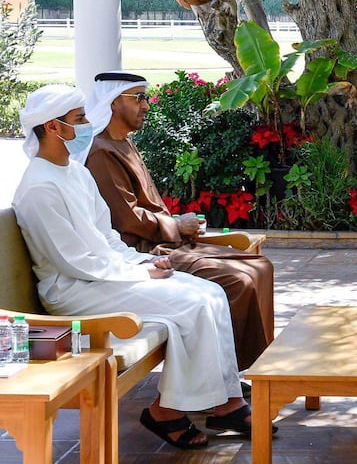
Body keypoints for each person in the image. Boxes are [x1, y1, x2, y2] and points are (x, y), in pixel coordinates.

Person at [12, 84, 262, 449]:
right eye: (79, 119)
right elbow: (74, 261)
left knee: (209, 293)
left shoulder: (75, 174)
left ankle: (224, 401)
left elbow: (107, 237)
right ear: (52, 127)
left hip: (107, 276)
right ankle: (172, 411)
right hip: (75, 291)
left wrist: (143, 259)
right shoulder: (39, 188)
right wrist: (139, 273)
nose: (87, 125)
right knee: (191, 304)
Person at [82, 71, 273, 371]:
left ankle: (256, 370)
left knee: (260, 266)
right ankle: (226, 375)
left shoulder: (124, 144)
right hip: (145, 251)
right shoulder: (101, 153)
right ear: (114, 103)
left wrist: (179, 226)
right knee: (238, 282)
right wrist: (176, 226)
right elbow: (127, 219)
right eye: (139, 98)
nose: (146, 106)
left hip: (169, 240)